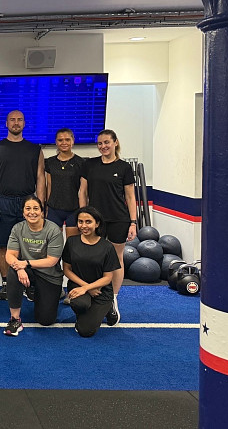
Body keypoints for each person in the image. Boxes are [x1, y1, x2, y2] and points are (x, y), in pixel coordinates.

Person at [0, 110, 45, 300]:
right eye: (12, 120)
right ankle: (6, 283)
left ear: (24, 123)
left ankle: (28, 283)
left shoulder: (35, 150)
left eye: (19, 120)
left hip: (28, 201)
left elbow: (40, 178)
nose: (16, 123)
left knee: (30, 245)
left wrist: (41, 206)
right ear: (6, 123)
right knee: (3, 245)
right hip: (3, 201)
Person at [78, 129, 137, 325]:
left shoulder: (124, 168)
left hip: (118, 219)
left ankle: (112, 299)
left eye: (106, 142)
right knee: (93, 258)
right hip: (95, 221)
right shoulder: (90, 165)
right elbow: (82, 192)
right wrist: (84, 216)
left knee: (116, 259)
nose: (103, 146)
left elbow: (130, 197)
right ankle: (93, 293)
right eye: (100, 143)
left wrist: (133, 222)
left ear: (115, 143)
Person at [3, 195, 64, 337]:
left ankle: (42, 292)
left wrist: (25, 263)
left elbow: (51, 261)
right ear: (23, 212)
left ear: (42, 212)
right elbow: (10, 255)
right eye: (28, 209)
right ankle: (15, 320)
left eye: (36, 208)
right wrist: (20, 268)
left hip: (49, 275)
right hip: (27, 271)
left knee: (46, 320)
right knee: (12, 271)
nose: (32, 212)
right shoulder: (17, 228)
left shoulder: (53, 230)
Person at [62, 206, 121, 337]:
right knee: (80, 304)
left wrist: (87, 288)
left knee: (86, 331)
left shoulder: (107, 247)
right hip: (78, 285)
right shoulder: (71, 242)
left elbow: (107, 278)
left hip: (101, 290)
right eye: (80, 222)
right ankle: (84, 313)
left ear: (97, 224)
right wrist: (86, 288)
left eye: (88, 222)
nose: (84, 226)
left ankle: (109, 307)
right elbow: (67, 269)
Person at [45, 128, 84, 240]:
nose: (64, 143)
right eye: (60, 140)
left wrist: (83, 211)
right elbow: (49, 186)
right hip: (54, 209)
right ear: (56, 142)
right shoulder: (50, 162)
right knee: (53, 244)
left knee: (72, 244)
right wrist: (47, 207)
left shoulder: (80, 162)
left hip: (73, 209)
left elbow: (83, 190)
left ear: (73, 141)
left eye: (67, 139)